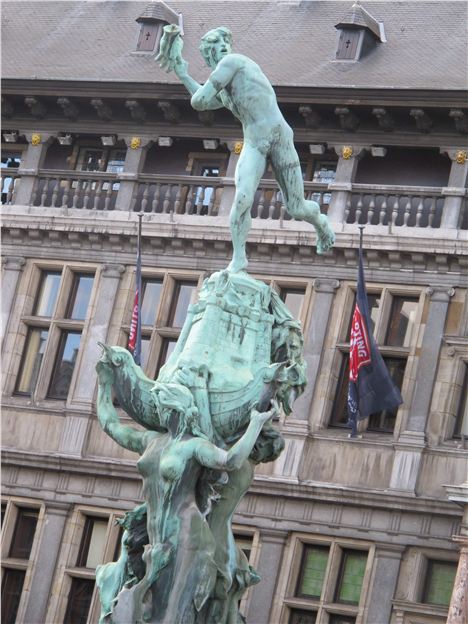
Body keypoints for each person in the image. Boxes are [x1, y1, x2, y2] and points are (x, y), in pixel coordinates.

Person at [95, 354, 277, 624]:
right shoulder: (152, 440)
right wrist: (104, 382)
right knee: (140, 608)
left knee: (171, 615)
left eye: (163, 405)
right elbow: (111, 425)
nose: (158, 411)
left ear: (177, 409)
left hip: (187, 533)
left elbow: (230, 460)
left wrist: (256, 424)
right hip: (155, 532)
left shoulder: (194, 446)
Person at [157, 25, 335, 273]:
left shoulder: (234, 62)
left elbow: (199, 101)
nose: (222, 51)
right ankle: (239, 258)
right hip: (254, 143)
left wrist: (189, 77)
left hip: (279, 137)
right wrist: (182, 73)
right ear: (208, 57)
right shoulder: (226, 87)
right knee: (241, 199)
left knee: (296, 208)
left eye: (223, 46)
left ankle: (320, 223)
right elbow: (206, 101)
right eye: (215, 49)